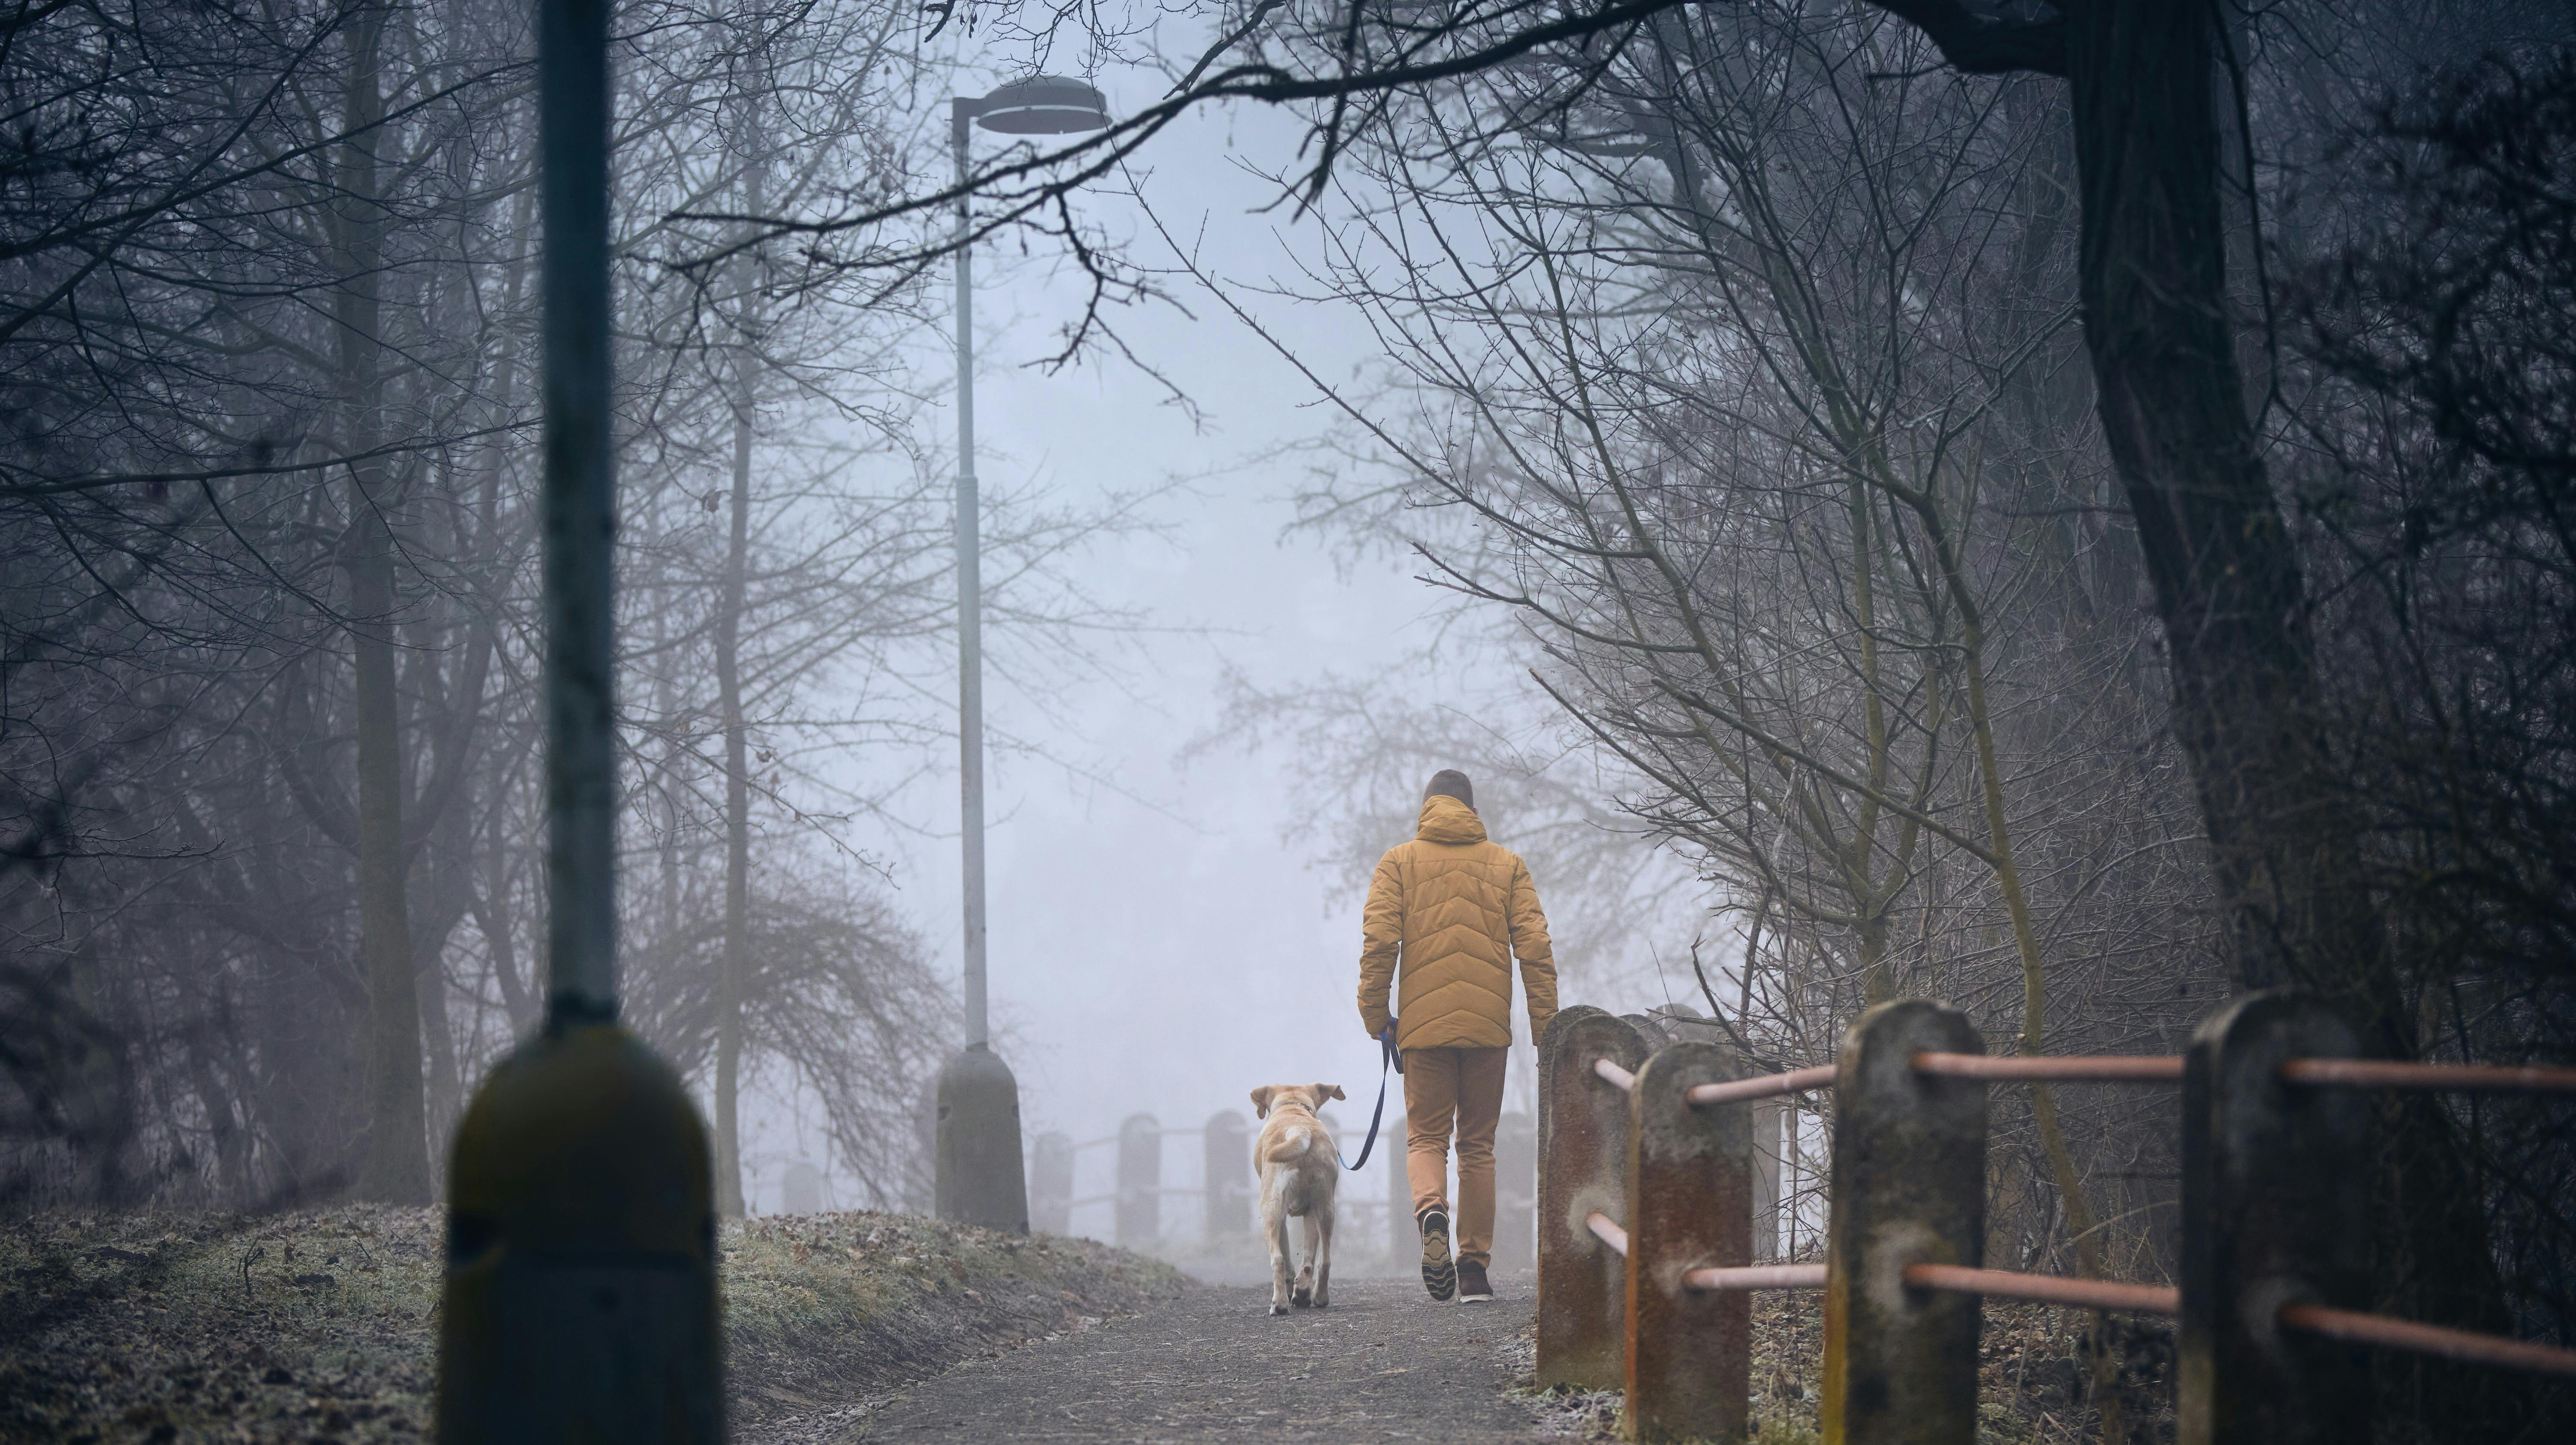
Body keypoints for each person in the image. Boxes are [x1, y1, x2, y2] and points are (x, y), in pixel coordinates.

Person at [1357, 769, 1557, 1304]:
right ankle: (1473, 1271)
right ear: (1472, 809)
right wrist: (1547, 1033)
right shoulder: (1507, 865)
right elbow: (1535, 949)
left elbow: (1380, 942)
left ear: (1427, 808)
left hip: (1423, 1030)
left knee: (1426, 1137)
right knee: (1477, 1145)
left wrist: (1377, 1014)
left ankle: (1431, 1211)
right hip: (1488, 1030)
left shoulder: (1398, 861)